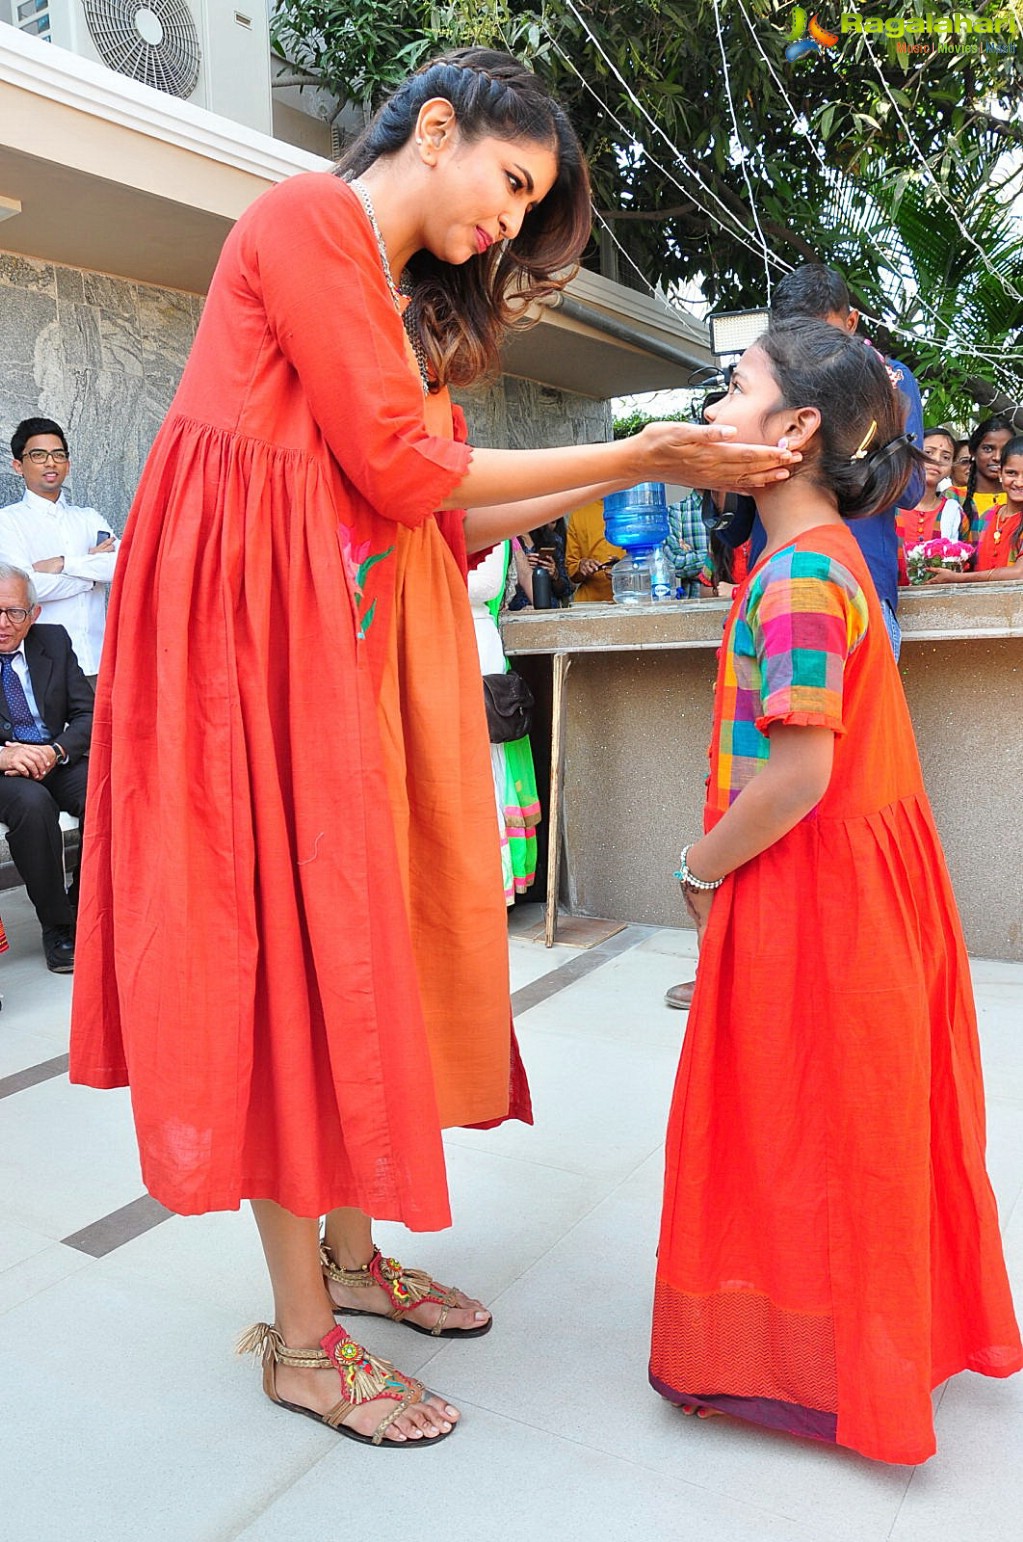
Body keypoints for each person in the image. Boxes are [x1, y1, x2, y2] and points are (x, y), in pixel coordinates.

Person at [68, 48, 796, 1448]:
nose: (504, 227)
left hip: (330, 655)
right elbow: (409, 477)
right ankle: (300, 1339)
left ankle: (346, 1260)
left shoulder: (383, 295)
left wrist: (617, 467)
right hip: (249, 657)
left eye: (527, 214)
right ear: (440, 126)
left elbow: (436, 521)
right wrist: (642, 456)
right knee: (287, 967)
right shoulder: (302, 221)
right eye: (510, 188)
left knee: (357, 952)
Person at [649, 317, 1022, 1465]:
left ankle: (825, 1361)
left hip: (815, 890)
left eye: (736, 385)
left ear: (797, 429)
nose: (715, 406)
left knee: (805, 1123)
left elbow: (801, 771)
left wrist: (696, 865)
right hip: (850, 882)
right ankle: (847, 1343)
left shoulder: (800, 576)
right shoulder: (820, 561)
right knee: (835, 1121)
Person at [718, 264, 925, 658]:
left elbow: (910, 488)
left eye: (820, 337)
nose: (803, 353)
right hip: (771, 575)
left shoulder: (891, 381)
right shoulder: (765, 388)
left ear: (851, 323)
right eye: (791, 338)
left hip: (861, 578)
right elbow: (734, 529)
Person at [0, 562, 93, 973]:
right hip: (4, 770)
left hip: (53, 756)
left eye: (14, 612)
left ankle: (83, 902)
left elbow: (89, 714)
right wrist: (4, 757)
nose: (3, 623)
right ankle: (58, 926)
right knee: (33, 806)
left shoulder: (53, 641)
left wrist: (55, 751)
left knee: (104, 788)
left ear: (33, 614)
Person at [1, 419, 118, 683]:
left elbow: (122, 565)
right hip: (43, 668)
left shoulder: (89, 518)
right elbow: (27, 590)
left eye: (58, 454)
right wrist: (91, 575)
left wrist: (64, 563)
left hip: (98, 662)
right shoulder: (7, 522)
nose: (50, 462)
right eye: (39, 455)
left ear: (68, 464)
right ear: (18, 466)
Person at [467, 540, 540, 900]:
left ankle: (492, 888)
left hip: (474, 645)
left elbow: (484, 585)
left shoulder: (489, 518)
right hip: (429, 640)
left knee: (481, 763)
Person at [928, 434, 1023, 582]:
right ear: (1000, 474)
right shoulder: (988, 515)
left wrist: (958, 578)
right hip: (979, 602)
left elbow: (1019, 573)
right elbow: (969, 562)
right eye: (1011, 473)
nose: (1019, 482)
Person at [895, 426, 964, 546]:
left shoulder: (953, 512)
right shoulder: (891, 505)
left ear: (951, 468)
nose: (936, 459)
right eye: (928, 452)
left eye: (946, 457)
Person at [957, 414, 1015, 541]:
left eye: (1005, 450)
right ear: (973, 452)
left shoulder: (1018, 497)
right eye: (988, 449)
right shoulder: (954, 497)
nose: (997, 457)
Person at [565, 498, 624, 602]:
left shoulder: (633, 506)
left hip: (630, 599)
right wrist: (581, 566)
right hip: (590, 604)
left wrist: (624, 570)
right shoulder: (579, 513)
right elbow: (571, 571)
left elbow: (651, 561)